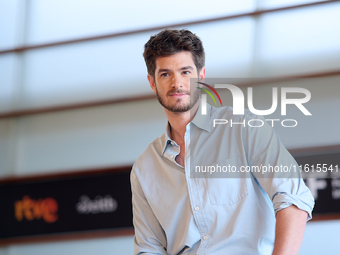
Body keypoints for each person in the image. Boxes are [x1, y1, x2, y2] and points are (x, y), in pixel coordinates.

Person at [130, 29, 314, 255]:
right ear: (152, 82)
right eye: (165, 74)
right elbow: (149, 248)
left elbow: (293, 198)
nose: (177, 83)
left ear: (201, 75)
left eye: (185, 72)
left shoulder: (244, 128)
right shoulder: (143, 169)